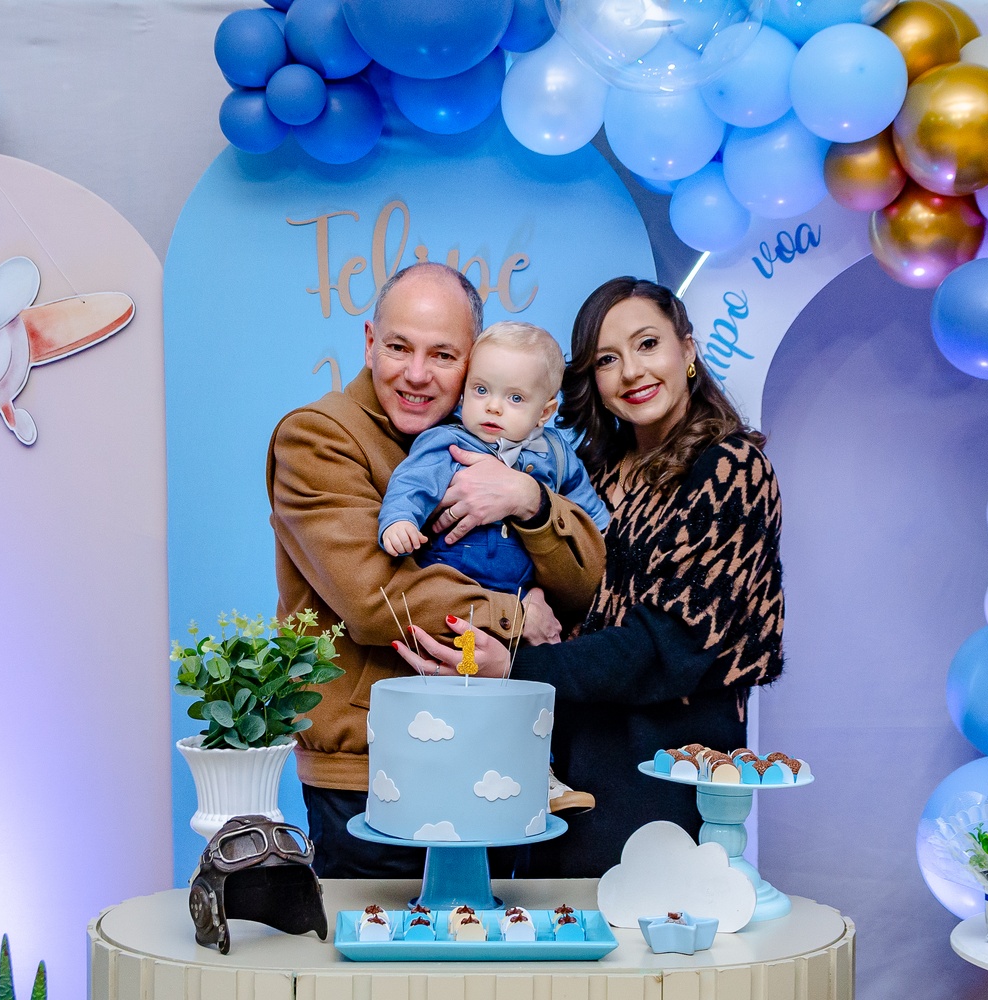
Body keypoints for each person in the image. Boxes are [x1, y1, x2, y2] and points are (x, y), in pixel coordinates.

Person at [391, 276, 785, 877]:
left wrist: (515, 665)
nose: (631, 371)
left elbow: (669, 647)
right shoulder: (591, 470)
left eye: (647, 344)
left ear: (688, 348)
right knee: (545, 922)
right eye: (607, 359)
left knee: (635, 923)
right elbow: (566, 593)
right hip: (559, 747)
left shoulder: (731, 469)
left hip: (660, 758)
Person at [266, 262, 606, 878]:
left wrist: (528, 500)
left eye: (443, 355)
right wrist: (517, 616)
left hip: (496, 755)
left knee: (496, 939)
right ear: (370, 342)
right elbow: (376, 598)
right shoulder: (317, 437)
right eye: (399, 347)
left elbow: (589, 584)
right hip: (373, 771)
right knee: (385, 940)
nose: (417, 374)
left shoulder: (515, 447)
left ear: (472, 362)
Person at [379, 319, 609, 814]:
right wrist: (399, 521)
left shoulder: (555, 455)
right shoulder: (447, 442)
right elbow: (411, 484)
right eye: (481, 390)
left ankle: (539, 775)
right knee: (459, 691)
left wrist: (594, 527)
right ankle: (450, 781)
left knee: (526, 695)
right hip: (460, 592)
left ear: (545, 411)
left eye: (515, 398)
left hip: (521, 596)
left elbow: (587, 514)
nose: (493, 407)